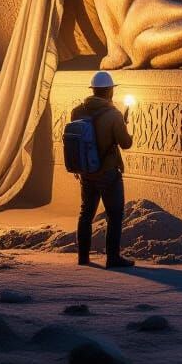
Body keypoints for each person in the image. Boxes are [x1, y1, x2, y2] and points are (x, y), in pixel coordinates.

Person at [73, 71, 135, 269]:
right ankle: (113, 257)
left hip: (86, 171)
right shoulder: (113, 114)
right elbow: (125, 143)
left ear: (93, 91)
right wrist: (125, 127)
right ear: (109, 91)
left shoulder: (78, 111)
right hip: (108, 172)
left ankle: (83, 257)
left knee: (86, 213)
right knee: (114, 214)